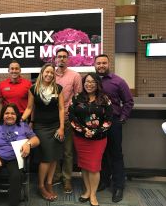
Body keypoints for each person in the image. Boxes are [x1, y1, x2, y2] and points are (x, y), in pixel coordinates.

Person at [21, 63, 64, 201]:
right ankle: (40, 186)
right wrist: (20, 120)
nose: (49, 74)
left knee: (54, 157)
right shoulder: (33, 89)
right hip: (41, 127)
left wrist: (62, 127)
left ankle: (49, 183)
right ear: (42, 73)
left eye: (52, 73)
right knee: (46, 157)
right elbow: (29, 108)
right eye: (47, 72)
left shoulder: (58, 88)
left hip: (55, 126)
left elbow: (61, 109)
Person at [94, 54, 134, 203]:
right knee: (101, 154)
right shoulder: (92, 81)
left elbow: (128, 102)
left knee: (116, 154)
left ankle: (118, 186)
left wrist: (122, 118)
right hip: (96, 124)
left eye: (104, 63)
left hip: (113, 123)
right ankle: (104, 181)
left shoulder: (118, 81)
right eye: (98, 63)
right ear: (95, 65)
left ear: (108, 64)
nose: (101, 65)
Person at [69, 73, 113, 206]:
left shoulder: (105, 99)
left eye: (93, 82)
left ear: (97, 84)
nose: (89, 84)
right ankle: (87, 191)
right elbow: (72, 117)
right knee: (84, 166)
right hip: (81, 138)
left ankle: (93, 194)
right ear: (83, 83)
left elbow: (109, 120)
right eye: (87, 82)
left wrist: (94, 131)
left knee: (94, 167)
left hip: (98, 139)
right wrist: (84, 130)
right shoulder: (77, 98)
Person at [53, 48, 82, 193]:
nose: (62, 59)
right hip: (52, 119)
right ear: (55, 59)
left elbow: (78, 97)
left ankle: (67, 180)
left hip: (67, 119)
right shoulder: (50, 74)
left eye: (64, 57)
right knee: (54, 150)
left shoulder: (75, 76)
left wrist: (70, 108)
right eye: (59, 57)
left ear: (68, 59)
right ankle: (56, 176)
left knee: (68, 151)